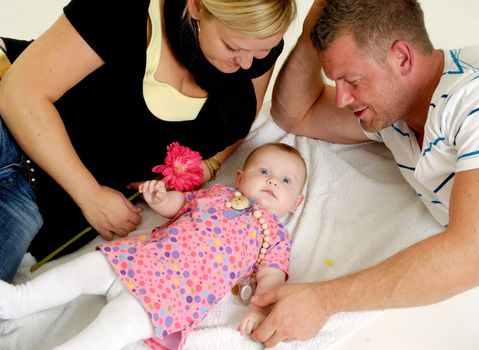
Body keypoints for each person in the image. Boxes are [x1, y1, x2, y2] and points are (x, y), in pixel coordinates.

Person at [249, 0, 479, 347]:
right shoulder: (392, 113)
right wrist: (311, 32)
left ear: (402, 58)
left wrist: (323, 301)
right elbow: (295, 115)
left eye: (351, 80)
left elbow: (477, 256)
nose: (342, 98)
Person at [0, 0, 296, 281]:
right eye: (233, 47)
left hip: (36, 198)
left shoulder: (255, 46)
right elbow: (21, 93)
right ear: (195, 6)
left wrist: (211, 165)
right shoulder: (123, 10)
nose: (246, 64)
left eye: (262, 52)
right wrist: (89, 194)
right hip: (11, 130)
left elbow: (239, 124)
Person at [0, 142, 307, 350]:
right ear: (240, 177)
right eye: (263, 172)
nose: (272, 182)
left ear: (297, 203)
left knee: (110, 332)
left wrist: (258, 309)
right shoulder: (217, 194)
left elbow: (272, 276)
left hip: (171, 297)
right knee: (81, 271)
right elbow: (180, 205)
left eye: (286, 181)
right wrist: (160, 198)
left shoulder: (275, 236)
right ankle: (19, 299)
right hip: (140, 258)